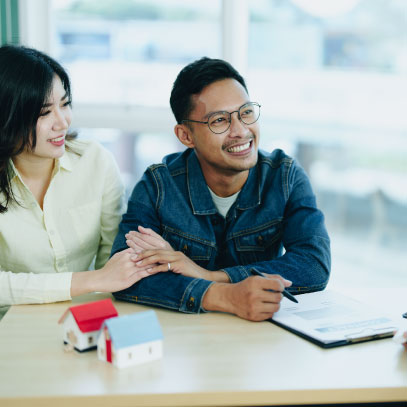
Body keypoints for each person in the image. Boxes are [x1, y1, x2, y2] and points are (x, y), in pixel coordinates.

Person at [111, 57, 331, 321]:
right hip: (184, 337)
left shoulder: (284, 176)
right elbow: (124, 275)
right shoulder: (158, 186)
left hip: (262, 334)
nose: (241, 131)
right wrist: (223, 296)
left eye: (246, 112)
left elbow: (313, 264)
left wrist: (210, 276)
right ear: (186, 136)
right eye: (219, 120)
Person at [0, 45, 150, 319]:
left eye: (65, 104)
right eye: (44, 112)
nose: (62, 122)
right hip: (12, 325)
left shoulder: (95, 161)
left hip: (87, 317)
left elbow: (113, 257)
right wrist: (91, 280)